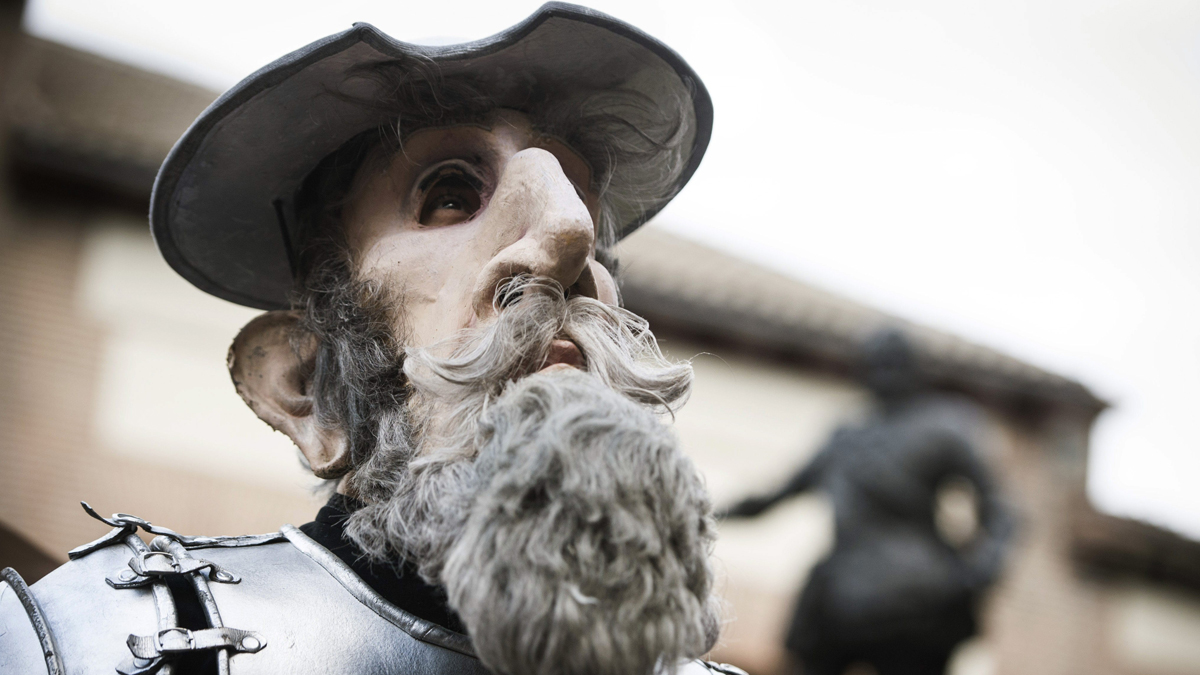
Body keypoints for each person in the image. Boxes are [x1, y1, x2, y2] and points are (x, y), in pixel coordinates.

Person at [0, 5, 745, 675]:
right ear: (308, 387)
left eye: (582, 204)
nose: (567, 236)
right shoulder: (97, 645)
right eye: (450, 195)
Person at [721, 329, 1013, 675]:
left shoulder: (943, 426)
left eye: (894, 364)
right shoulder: (847, 438)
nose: (884, 374)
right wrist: (704, 513)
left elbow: (999, 507)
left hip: (918, 594)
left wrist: (977, 573)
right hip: (843, 591)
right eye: (877, 364)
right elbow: (775, 497)